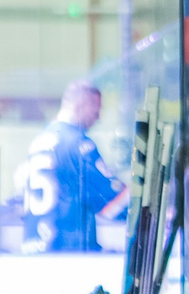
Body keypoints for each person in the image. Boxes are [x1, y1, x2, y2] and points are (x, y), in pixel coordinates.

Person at [18, 81, 125, 254]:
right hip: (67, 252)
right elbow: (110, 197)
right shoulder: (77, 143)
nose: (98, 117)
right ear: (83, 103)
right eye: (96, 109)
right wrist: (149, 211)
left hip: (34, 249)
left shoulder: (40, 140)